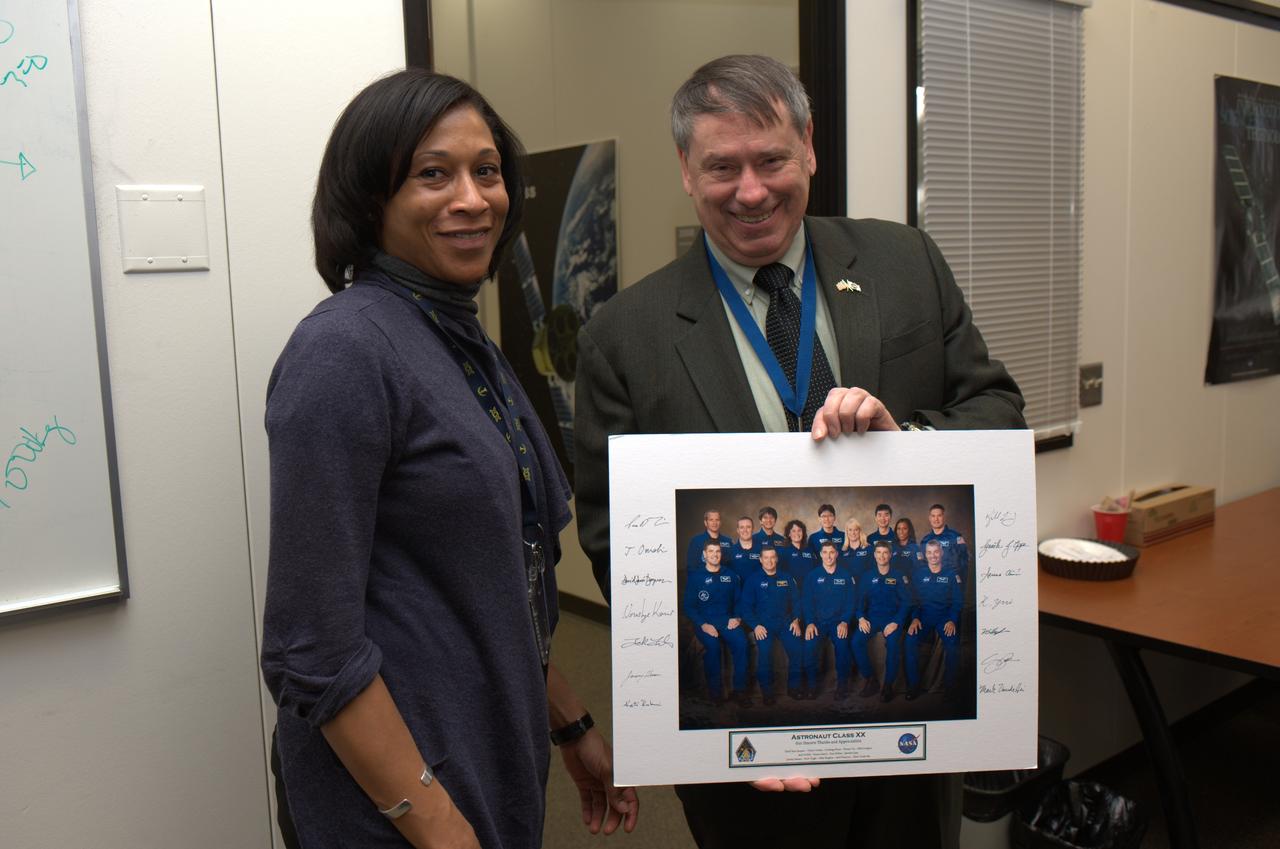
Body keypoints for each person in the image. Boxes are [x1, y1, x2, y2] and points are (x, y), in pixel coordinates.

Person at [574, 52, 1023, 849]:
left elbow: (998, 412)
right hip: (746, 741)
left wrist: (910, 448)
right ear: (686, 169)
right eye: (722, 166)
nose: (750, 191)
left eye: (771, 159)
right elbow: (617, 540)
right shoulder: (623, 337)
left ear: (810, 148)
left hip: (911, 726)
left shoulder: (905, 265)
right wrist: (710, 714)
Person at [261, 70, 636, 849]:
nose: (473, 198)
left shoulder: (459, 338)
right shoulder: (343, 349)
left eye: (487, 170)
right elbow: (311, 648)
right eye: (434, 174)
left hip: (485, 756)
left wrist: (571, 723)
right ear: (371, 197)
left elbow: (495, 582)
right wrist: (441, 829)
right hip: (393, 803)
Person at [684, 540, 751, 706]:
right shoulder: (695, 577)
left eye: (718, 552)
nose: (715, 555)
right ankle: (715, 694)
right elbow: (689, 606)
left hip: (727, 620)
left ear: (721, 554)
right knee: (713, 647)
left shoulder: (731, 576)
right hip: (705, 622)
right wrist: (703, 624)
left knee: (742, 643)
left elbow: (739, 602)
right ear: (704, 554)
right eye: (711, 551)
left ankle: (740, 691)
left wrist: (737, 618)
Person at [740, 546, 805, 703]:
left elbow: (797, 601)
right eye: (766, 557)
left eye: (772, 557)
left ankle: (794, 688)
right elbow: (745, 607)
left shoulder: (786, 578)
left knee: (797, 649)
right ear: (760, 560)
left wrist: (796, 620)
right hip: (763, 625)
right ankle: (767, 692)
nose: (769, 561)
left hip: (785, 623)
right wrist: (755, 625)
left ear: (776, 559)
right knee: (765, 654)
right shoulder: (753, 580)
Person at [851, 541, 912, 702]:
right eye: (878, 552)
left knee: (893, 644)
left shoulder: (898, 575)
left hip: (891, 619)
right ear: (874, 555)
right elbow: (859, 602)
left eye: (885, 552)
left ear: (890, 555)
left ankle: (888, 685)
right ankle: (870, 679)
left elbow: (906, 602)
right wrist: (861, 617)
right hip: (872, 619)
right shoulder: (867, 576)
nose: (882, 556)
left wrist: (896, 622)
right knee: (856, 641)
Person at [904, 541, 963, 700]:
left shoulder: (950, 575)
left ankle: (950, 688)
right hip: (924, 617)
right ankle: (913, 686)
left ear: (941, 553)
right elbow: (914, 601)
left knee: (952, 644)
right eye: (929, 552)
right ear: (925, 555)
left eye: (936, 552)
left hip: (944, 617)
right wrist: (915, 618)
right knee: (910, 640)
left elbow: (957, 601)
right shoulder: (919, 574)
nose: (933, 555)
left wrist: (952, 620)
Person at [801, 542, 856, 700]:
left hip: (838, 622)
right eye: (825, 552)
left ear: (837, 554)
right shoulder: (812, 576)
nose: (829, 556)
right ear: (820, 554)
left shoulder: (845, 575)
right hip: (817, 623)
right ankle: (812, 686)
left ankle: (842, 686)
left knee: (843, 647)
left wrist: (845, 621)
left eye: (832, 552)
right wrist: (810, 622)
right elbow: (807, 602)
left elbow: (851, 602)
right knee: (809, 647)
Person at [921, 503, 969, 581]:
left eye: (939, 516)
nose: (936, 519)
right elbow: (923, 564)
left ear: (944, 517)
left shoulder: (955, 537)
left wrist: (959, 583)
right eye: (933, 516)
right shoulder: (925, 540)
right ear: (929, 518)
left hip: (950, 583)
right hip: (931, 583)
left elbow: (964, 563)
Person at [687, 509, 734, 574]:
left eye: (717, 520)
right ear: (705, 523)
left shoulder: (728, 541)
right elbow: (691, 566)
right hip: (703, 577)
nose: (714, 523)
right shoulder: (696, 541)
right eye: (711, 520)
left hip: (724, 578)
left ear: (720, 522)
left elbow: (733, 564)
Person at [779, 518, 816, 583]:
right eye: (793, 531)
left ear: (803, 533)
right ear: (789, 534)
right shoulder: (783, 551)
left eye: (799, 530)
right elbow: (780, 572)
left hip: (809, 586)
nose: (797, 533)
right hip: (791, 586)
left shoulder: (809, 550)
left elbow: (814, 569)